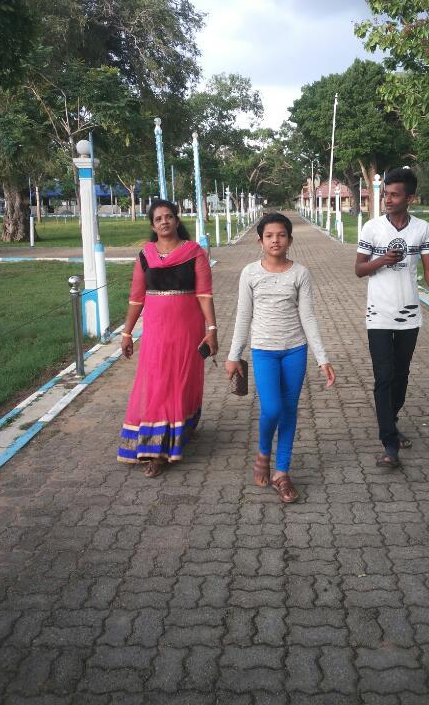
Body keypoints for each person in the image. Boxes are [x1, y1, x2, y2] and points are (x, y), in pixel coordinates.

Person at [225, 212, 335, 503]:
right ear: (260, 241)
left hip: (295, 350)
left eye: (281, 235)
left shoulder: (300, 273)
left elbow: (308, 317)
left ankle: (282, 473)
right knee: (272, 409)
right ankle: (264, 452)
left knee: (289, 411)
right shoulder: (250, 273)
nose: (275, 240)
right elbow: (243, 316)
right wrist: (234, 355)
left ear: (290, 240)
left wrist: (322, 358)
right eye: (269, 236)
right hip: (264, 352)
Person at [355, 167, 429, 468]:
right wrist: (382, 260)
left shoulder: (421, 229)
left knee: (401, 376)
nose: (387, 199)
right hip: (378, 315)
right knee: (384, 377)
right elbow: (359, 269)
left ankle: (391, 421)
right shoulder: (372, 228)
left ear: (409, 198)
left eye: (395, 195)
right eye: (386, 194)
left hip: (409, 314)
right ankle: (389, 443)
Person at [118, 199, 218, 477]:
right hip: (156, 332)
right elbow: (136, 298)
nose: (164, 222)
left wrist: (212, 330)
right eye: (158, 218)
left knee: (182, 380)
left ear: (177, 220)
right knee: (158, 382)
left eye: (168, 217)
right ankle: (155, 450)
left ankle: (183, 427)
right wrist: (127, 333)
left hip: (187, 329)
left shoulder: (194, 252)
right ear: (153, 225)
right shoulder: (145, 255)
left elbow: (204, 294)